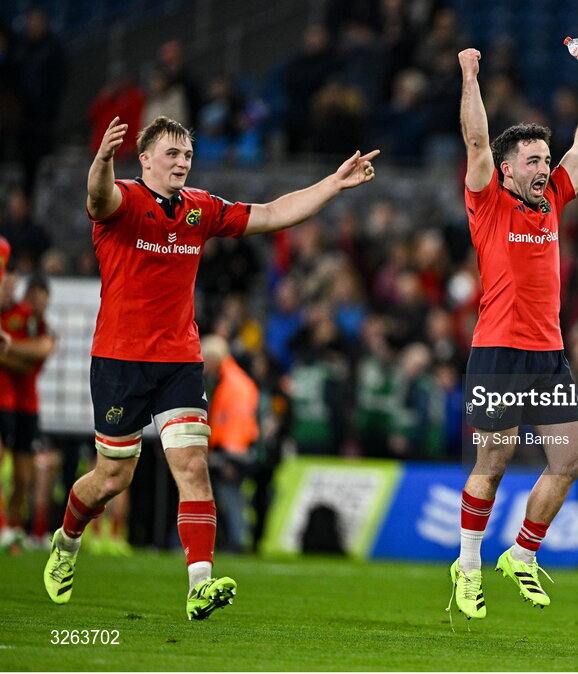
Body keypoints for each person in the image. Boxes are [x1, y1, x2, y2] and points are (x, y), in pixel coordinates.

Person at [42, 115, 378, 620]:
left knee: (193, 467)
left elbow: (270, 213)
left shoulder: (200, 209)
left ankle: (200, 583)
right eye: (172, 154)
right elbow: (98, 197)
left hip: (179, 359)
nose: (182, 162)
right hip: (120, 360)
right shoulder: (124, 201)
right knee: (113, 477)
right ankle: (66, 542)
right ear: (147, 159)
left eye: (188, 155)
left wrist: (333, 183)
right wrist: (101, 160)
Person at [448, 44, 578, 620]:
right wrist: (471, 74)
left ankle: (522, 553)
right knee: (494, 459)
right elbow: (474, 141)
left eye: (547, 159)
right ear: (508, 168)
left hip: (548, 352)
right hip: (497, 350)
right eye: (534, 161)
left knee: (568, 460)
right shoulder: (487, 201)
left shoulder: (553, 204)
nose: (546, 168)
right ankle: (468, 566)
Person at [0, 276, 55, 552]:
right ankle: (4, 528)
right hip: (5, 401)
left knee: (23, 477)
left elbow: (38, 354)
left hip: (28, 406)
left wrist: (8, 350)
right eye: (33, 297)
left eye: (42, 299)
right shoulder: (13, 316)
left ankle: (13, 527)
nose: (36, 303)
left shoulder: (43, 328)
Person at [201, 334, 259, 552]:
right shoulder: (232, 379)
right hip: (234, 448)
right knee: (231, 497)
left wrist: (229, 458)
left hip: (232, 451)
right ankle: (236, 538)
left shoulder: (232, 384)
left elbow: (236, 422)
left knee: (231, 497)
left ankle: (238, 540)